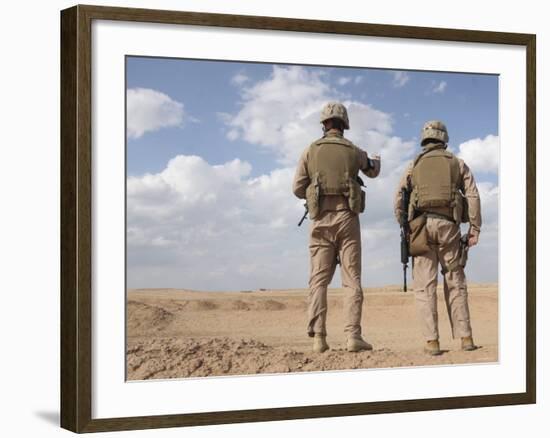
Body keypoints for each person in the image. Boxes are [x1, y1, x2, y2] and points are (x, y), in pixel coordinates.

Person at [293, 102, 381, 353]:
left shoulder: (310, 150)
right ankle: (353, 336)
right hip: (347, 219)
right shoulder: (354, 151)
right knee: (352, 280)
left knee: (318, 280)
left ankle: (319, 337)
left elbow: (297, 188)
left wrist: (314, 192)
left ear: (324, 124)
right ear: (345, 125)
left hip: (320, 220)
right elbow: (374, 172)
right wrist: (376, 159)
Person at [394, 120, 482, 355]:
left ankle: (432, 342)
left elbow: (398, 198)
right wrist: (475, 228)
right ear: (444, 138)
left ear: (425, 139)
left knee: (425, 287)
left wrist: (404, 226)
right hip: (449, 228)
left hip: (421, 228)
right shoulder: (458, 163)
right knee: (455, 281)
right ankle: (466, 338)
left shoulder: (414, 164)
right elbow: (472, 195)